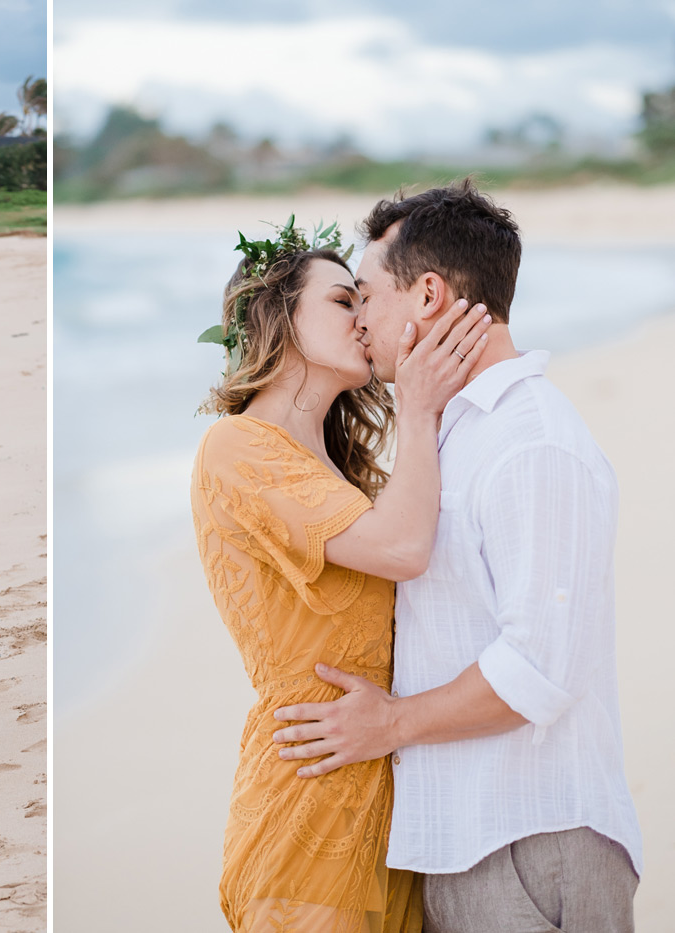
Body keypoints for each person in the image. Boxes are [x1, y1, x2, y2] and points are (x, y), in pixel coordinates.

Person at [270, 180, 643, 932]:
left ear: (429, 295)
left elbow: (539, 669)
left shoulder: (530, 441)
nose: (362, 319)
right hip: (466, 840)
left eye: (367, 295)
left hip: (532, 837)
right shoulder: (451, 432)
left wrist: (390, 723)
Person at [190, 218, 491, 932]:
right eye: (341, 301)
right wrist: (418, 408)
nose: (364, 319)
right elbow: (402, 551)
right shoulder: (236, 447)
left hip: (391, 793)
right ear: (279, 319)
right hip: (310, 790)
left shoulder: (348, 472)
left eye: (364, 300)